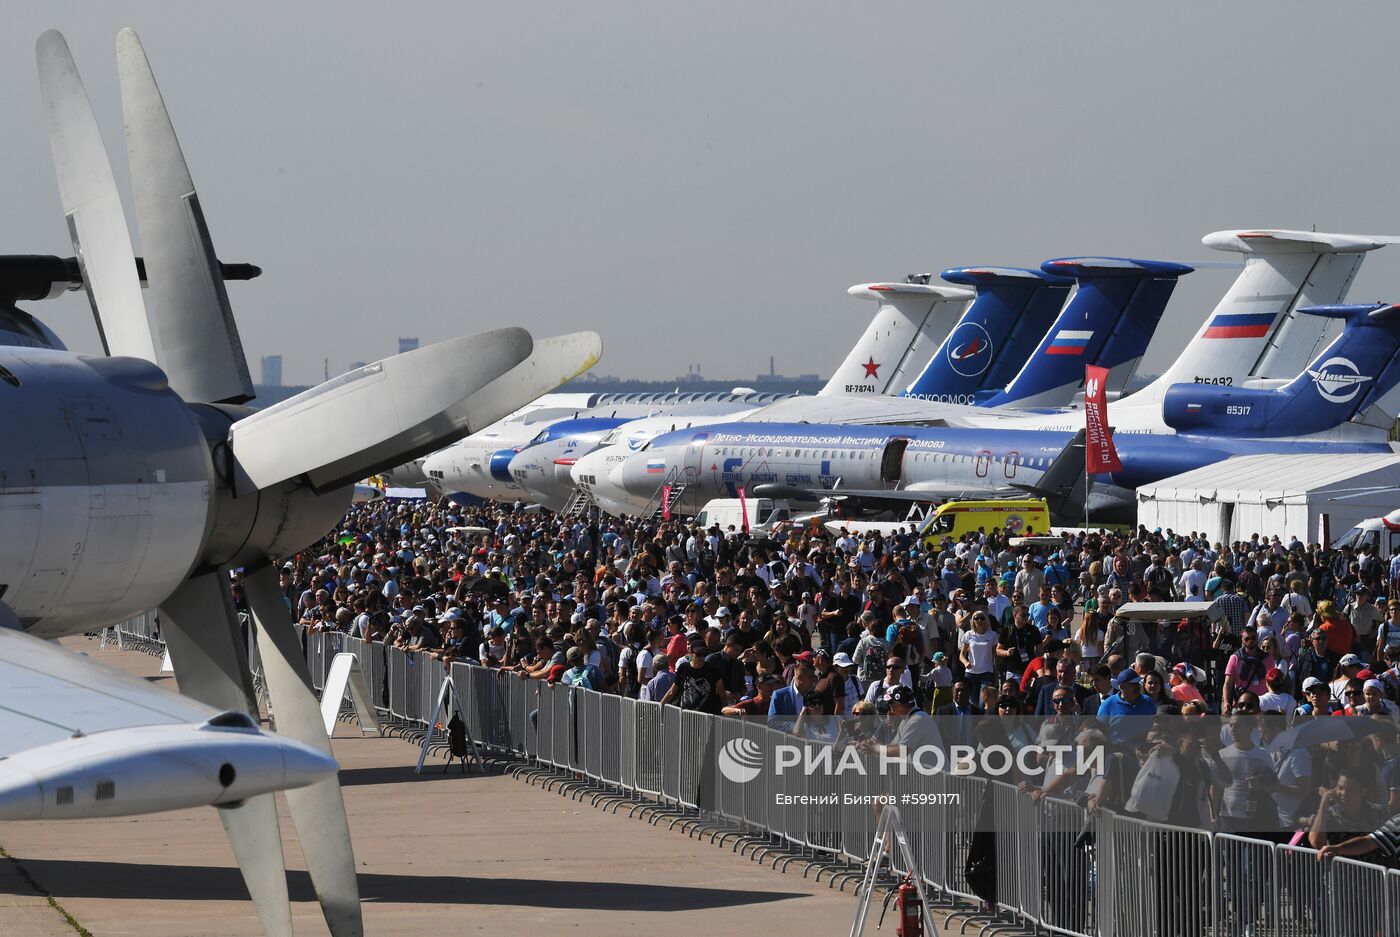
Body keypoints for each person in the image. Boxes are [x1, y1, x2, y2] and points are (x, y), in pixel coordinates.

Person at [660, 634, 729, 713]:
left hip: (705, 717)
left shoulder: (713, 670)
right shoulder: (683, 668)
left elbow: (722, 694)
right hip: (684, 714)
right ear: (690, 652)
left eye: (704, 654)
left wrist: (725, 713)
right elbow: (672, 691)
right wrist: (660, 706)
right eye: (698, 654)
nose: (701, 657)